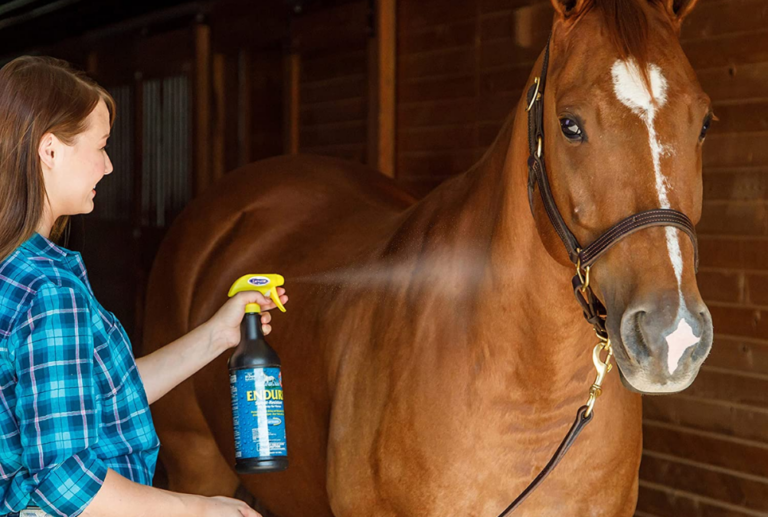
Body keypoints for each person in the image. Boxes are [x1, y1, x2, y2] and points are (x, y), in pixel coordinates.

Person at [0, 56, 285, 517]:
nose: (109, 166)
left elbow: (105, 400)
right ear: (49, 150)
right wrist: (201, 509)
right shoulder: (48, 291)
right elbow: (65, 480)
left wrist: (218, 334)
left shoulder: (14, 269)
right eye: (101, 146)